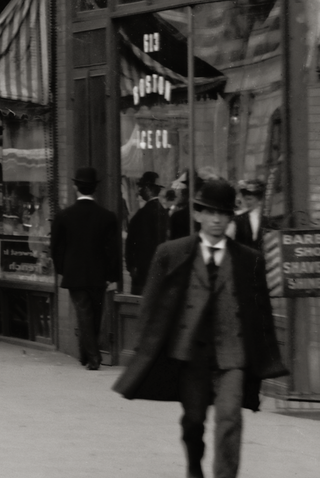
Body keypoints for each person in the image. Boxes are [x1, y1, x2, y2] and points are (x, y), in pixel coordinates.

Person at [114, 178, 287, 478]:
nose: (216, 219)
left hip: (232, 355)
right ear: (197, 215)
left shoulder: (250, 260)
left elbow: (262, 314)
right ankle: (194, 465)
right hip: (191, 354)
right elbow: (151, 305)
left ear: (231, 218)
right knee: (193, 421)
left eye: (223, 214)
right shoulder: (171, 252)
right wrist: (146, 347)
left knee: (229, 418)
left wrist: (265, 358)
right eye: (209, 212)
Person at [51, 167, 121, 370]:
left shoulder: (64, 216)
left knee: (84, 314)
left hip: (75, 273)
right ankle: (89, 355)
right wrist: (112, 275)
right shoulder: (107, 216)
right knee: (95, 315)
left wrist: (63, 269)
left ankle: (91, 356)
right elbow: (112, 250)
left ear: (75, 187)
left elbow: (56, 248)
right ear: (95, 189)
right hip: (99, 274)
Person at [126, 171, 168, 295]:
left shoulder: (141, 216)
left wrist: (132, 266)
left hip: (143, 272)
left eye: (141, 187)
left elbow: (134, 245)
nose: (139, 190)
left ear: (148, 189)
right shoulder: (164, 213)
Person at [234, 179, 273, 252]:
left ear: (258, 199)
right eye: (245, 199)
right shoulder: (238, 220)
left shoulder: (268, 221)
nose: (247, 202)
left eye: (249, 199)